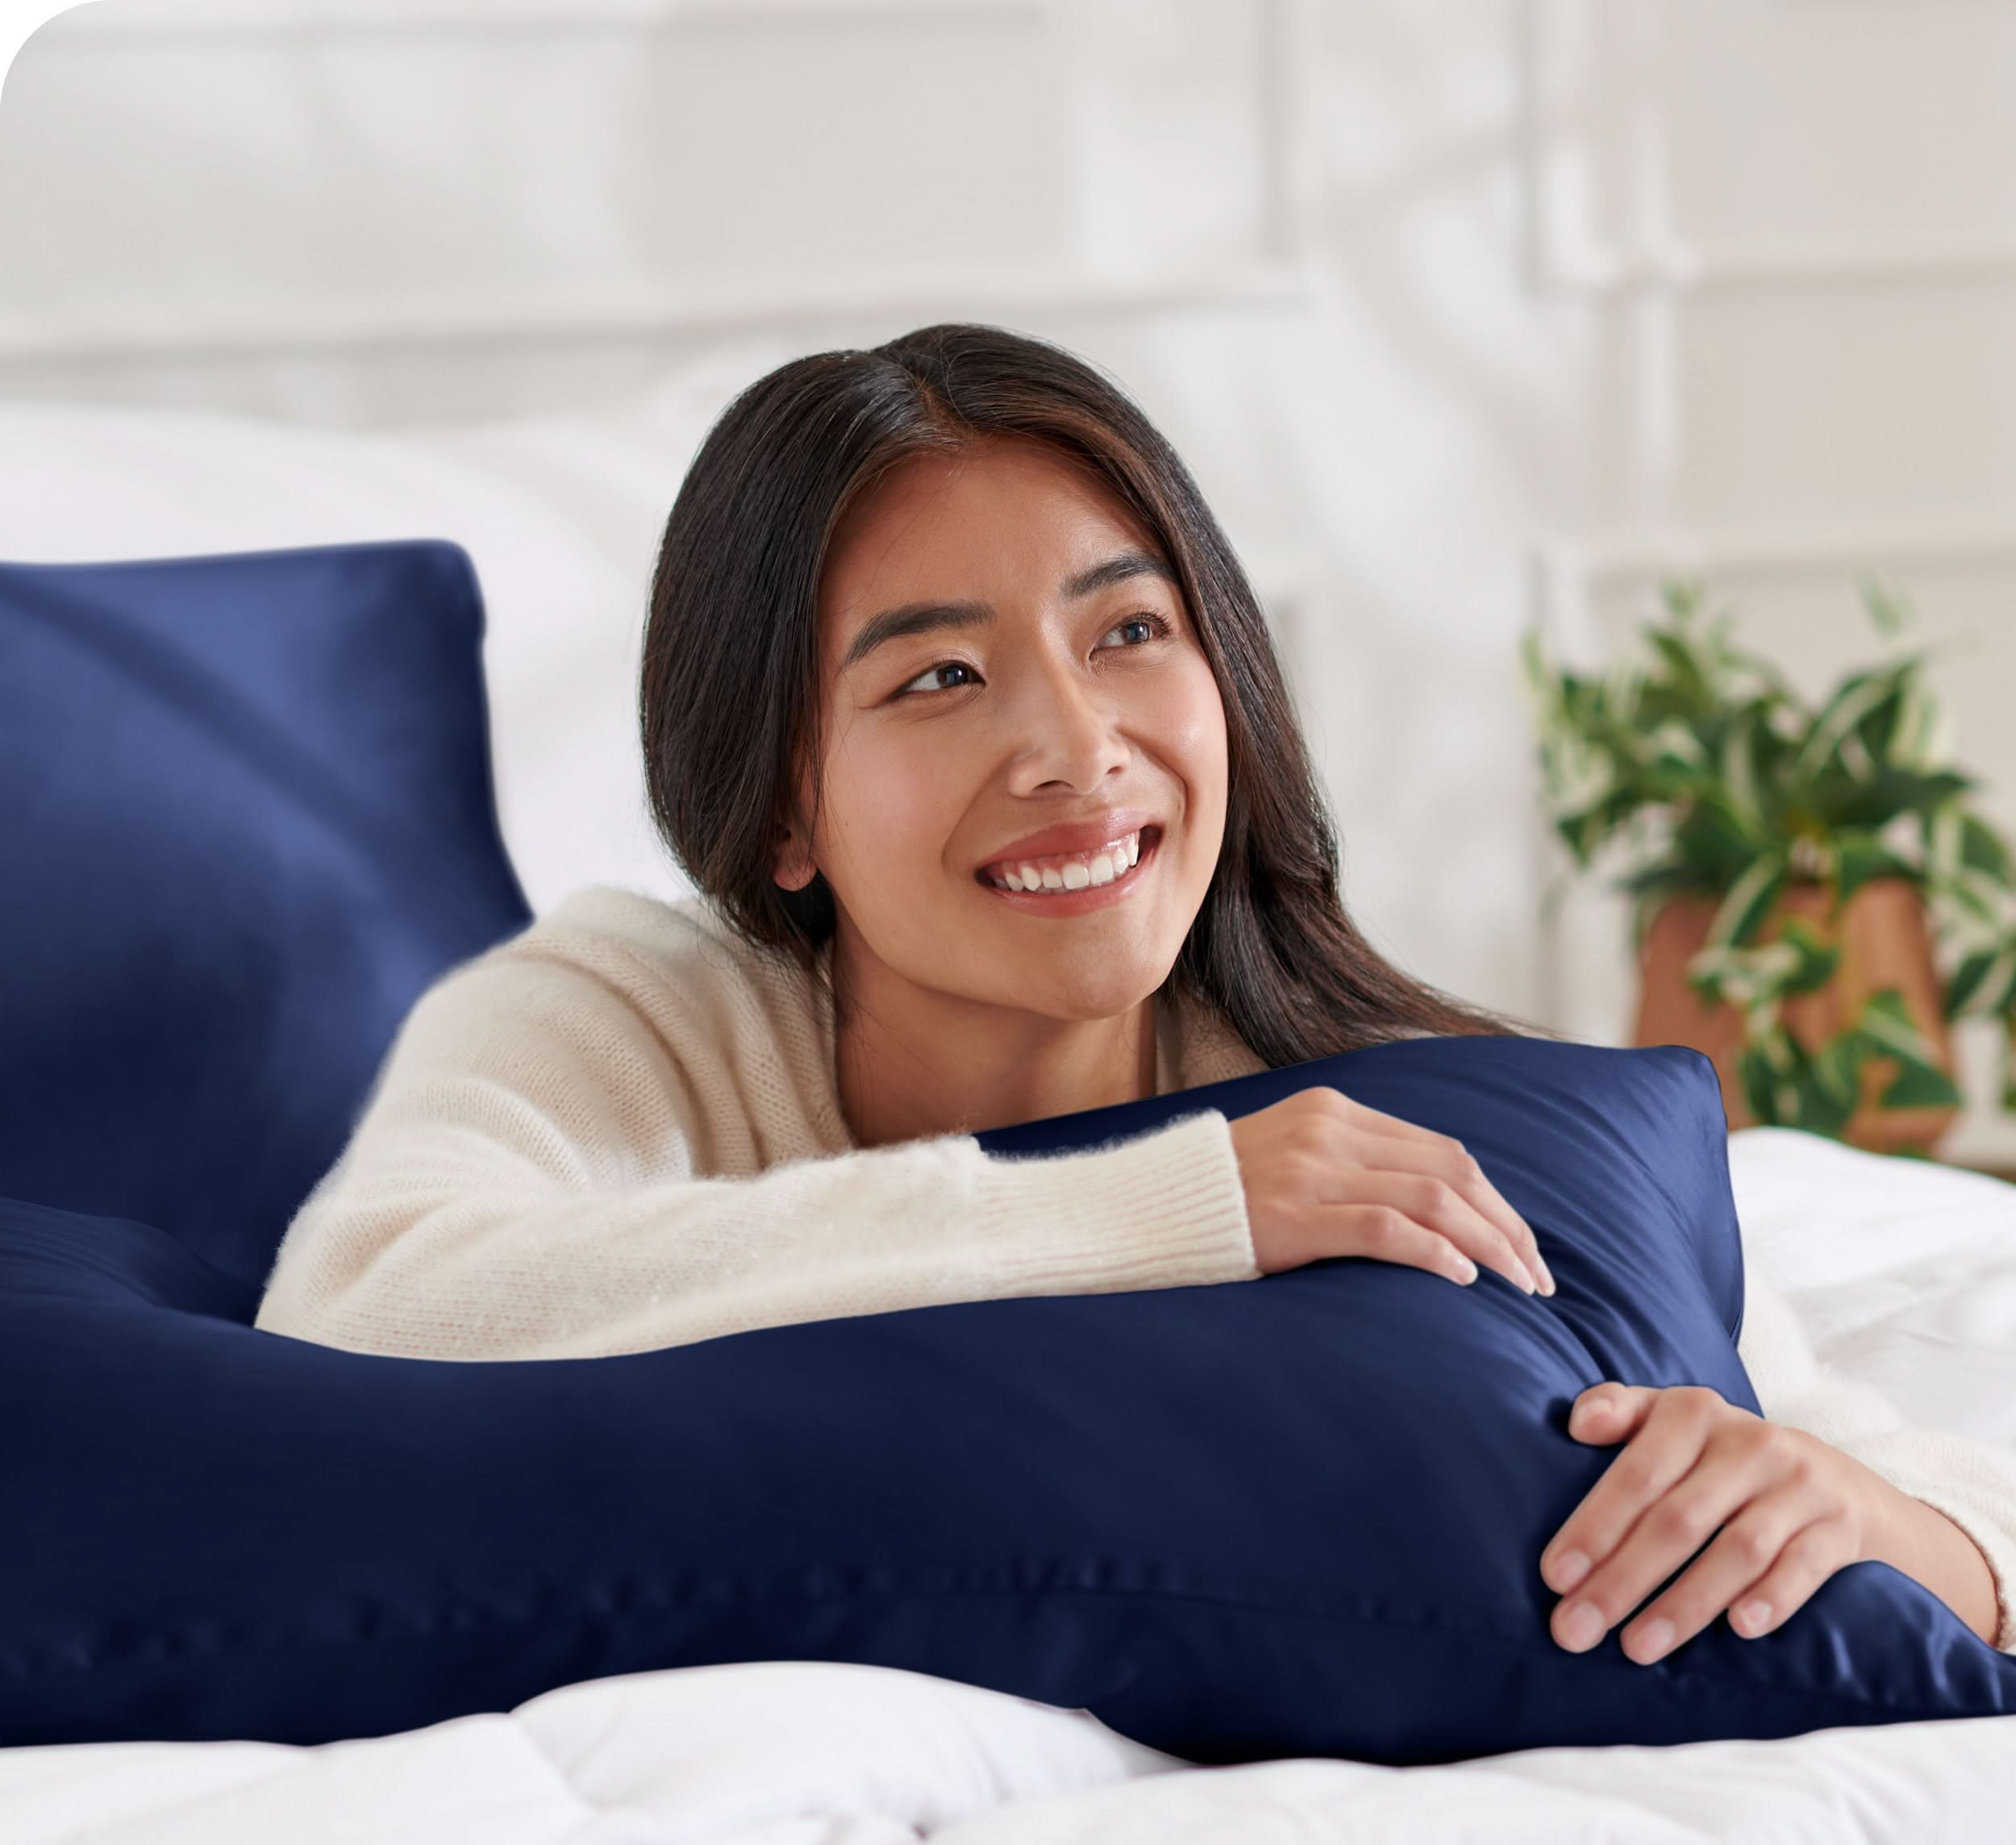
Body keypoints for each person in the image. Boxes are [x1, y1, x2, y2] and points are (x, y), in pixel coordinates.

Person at [255, 322, 2014, 1664]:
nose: (1073, 749)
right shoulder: (635, 1009)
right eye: (939, 674)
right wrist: (1165, 1210)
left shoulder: (1400, 1105)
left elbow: (1922, 1486)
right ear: (782, 800)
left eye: (1126, 632)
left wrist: (1865, 1516)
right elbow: (369, 1304)